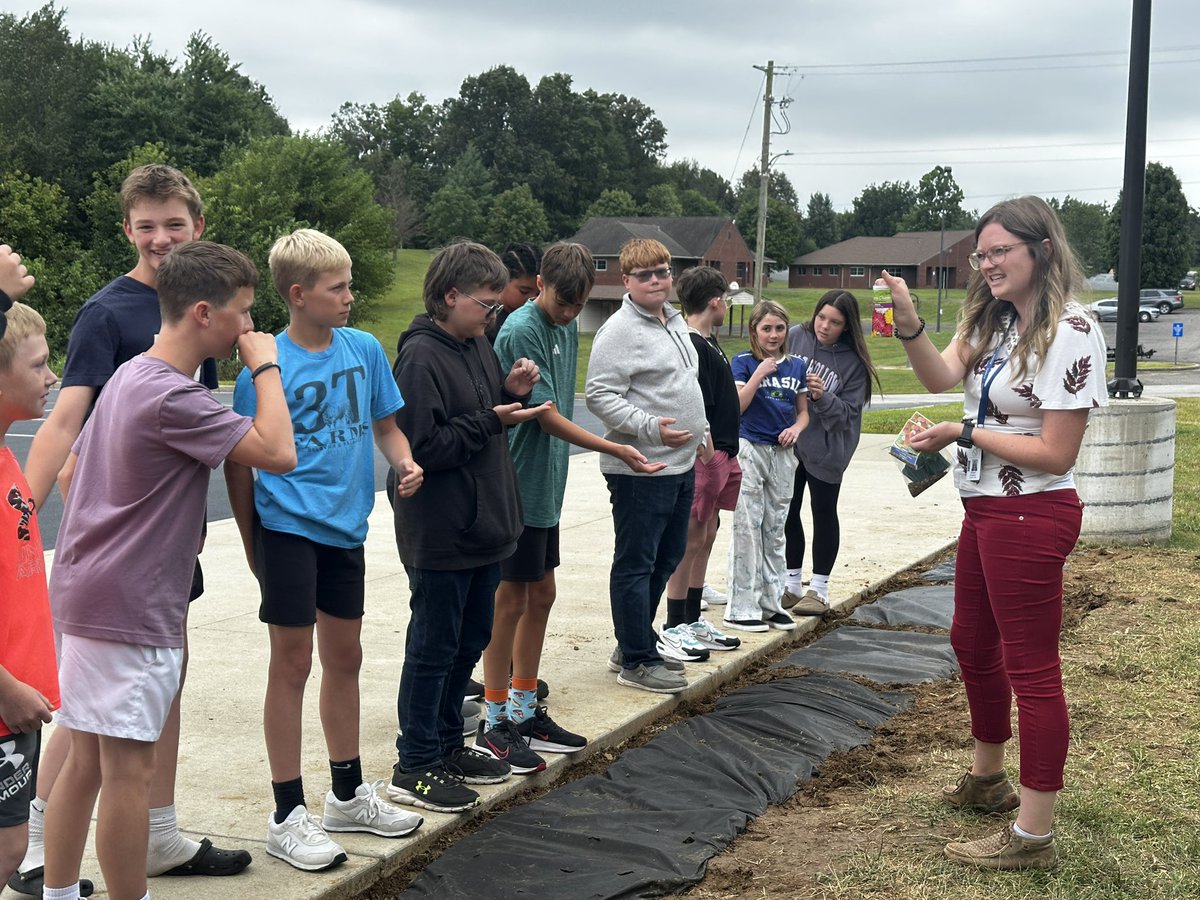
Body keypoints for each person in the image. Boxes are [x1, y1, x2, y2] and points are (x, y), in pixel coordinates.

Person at [14, 165, 251, 896]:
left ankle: (156, 832)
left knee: (146, 706)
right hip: (123, 555)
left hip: (163, 546)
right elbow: (63, 418)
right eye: (145, 225)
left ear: (197, 229)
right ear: (126, 230)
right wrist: (16, 518)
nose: (158, 238)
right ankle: (36, 851)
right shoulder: (110, 314)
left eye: (172, 224)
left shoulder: (203, 305)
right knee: (99, 727)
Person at [41, 241, 296, 900]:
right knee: (130, 770)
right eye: (242, 313)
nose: (247, 327)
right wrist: (266, 367)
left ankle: (61, 891)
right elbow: (279, 451)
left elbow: (73, 469)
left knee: (88, 763)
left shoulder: (133, 375)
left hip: (87, 591)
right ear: (204, 313)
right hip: (128, 605)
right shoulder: (173, 397)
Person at [881, 195, 1107, 871]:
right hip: (984, 509)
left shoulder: (1072, 329)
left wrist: (965, 432)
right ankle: (987, 780)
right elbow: (941, 374)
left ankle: (1033, 837)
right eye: (981, 255)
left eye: (999, 251)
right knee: (971, 641)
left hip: (1031, 514)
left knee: (1033, 669)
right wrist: (912, 325)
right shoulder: (995, 318)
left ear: (1040, 248)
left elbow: (1056, 454)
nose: (987, 265)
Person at [225, 230, 425, 872]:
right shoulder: (264, 366)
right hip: (287, 529)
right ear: (298, 294)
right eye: (337, 288)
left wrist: (404, 462)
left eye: (347, 284)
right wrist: (253, 544)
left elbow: (388, 427)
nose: (349, 296)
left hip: (347, 530)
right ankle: (287, 812)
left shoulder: (364, 349)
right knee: (291, 664)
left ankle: (346, 794)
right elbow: (239, 464)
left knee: (346, 657)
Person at [479, 242, 661, 770]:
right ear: (541, 284)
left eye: (579, 305)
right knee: (510, 600)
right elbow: (543, 412)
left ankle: (523, 703)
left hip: (546, 485)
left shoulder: (564, 326)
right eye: (563, 302)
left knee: (542, 594)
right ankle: (494, 722)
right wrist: (612, 444)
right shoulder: (521, 327)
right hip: (515, 484)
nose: (569, 313)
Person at [387, 241, 549, 813]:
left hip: (484, 527)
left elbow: (479, 415)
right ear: (450, 296)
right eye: (486, 304)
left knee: (469, 641)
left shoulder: (475, 343)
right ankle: (415, 763)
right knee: (433, 647)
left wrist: (510, 393)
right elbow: (422, 447)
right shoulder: (419, 358)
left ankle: (449, 744)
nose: (493, 314)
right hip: (440, 529)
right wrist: (491, 418)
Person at [585, 239, 708, 694]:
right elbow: (599, 395)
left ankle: (632, 638)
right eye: (645, 275)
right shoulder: (619, 330)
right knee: (636, 562)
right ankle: (637, 659)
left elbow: (685, 385)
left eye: (662, 272)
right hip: (640, 468)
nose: (656, 280)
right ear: (627, 281)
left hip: (680, 464)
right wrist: (651, 429)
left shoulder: (673, 322)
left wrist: (703, 430)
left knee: (668, 556)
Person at [0, 300, 59, 888]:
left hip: (15, 699)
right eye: (39, 364)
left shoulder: (7, 454)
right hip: (4, 701)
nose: (51, 376)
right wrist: (7, 688)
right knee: (5, 846)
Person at [781, 290, 882, 616]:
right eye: (821, 317)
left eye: (834, 322)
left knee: (823, 512)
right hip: (790, 441)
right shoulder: (798, 336)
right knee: (787, 510)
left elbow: (845, 417)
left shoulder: (854, 364)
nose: (824, 326)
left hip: (827, 449)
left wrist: (822, 396)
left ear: (847, 326)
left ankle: (819, 590)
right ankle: (792, 584)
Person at [662, 266, 742, 654]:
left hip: (725, 452)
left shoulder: (710, 342)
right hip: (706, 455)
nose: (725, 304)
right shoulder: (692, 345)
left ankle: (693, 618)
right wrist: (708, 457)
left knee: (707, 536)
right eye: (724, 298)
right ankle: (674, 622)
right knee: (691, 539)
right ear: (714, 301)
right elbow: (697, 407)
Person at [722, 300, 809, 633]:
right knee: (747, 526)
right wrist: (759, 373)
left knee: (775, 529)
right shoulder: (742, 363)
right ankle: (740, 606)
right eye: (766, 328)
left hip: (782, 453)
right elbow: (738, 407)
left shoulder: (797, 366)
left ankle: (770, 603)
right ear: (754, 331)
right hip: (750, 448)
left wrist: (797, 429)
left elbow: (803, 413)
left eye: (779, 328)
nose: (773, 335)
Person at [485, 242, 543, 343]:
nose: (532, 299)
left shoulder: (537, 320)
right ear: (504, 279)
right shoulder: (486, 321)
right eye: (524, 291)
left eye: (538, 293)